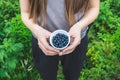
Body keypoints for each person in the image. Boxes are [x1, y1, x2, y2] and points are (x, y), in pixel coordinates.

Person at [19, 0, 100, 80]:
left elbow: (93, 7)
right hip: (43, 41)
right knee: (47, 74)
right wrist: (37, 30)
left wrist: (79, 26)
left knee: (73, 74)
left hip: (75, 40)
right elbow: (25, 12)